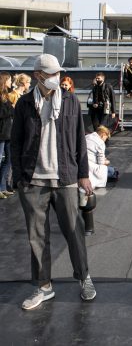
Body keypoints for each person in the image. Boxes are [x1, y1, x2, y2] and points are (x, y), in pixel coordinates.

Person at [11, 53, 96, 310]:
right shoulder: (24, 104)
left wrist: (83, 174)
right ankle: (43, 286)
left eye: (58, 73)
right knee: (37, 236)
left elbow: (80, 139)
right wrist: (18, 177)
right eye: (51, 74)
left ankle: (84, 277)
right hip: (33, 180)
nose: (56, 78)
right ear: (38, 75)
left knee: (74, 230)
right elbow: (15, 143)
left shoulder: (70, 101)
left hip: (66, 177)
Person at [0, 72, 15, 199]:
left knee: (8, 160)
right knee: (0, 160)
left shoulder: (6, 96)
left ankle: (2, 187)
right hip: (1, 133)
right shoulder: (2, 96)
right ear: (4, 82)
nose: (11, 83)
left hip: (8, 133)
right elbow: (3, 112)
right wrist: (10, 110)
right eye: (9, 80)